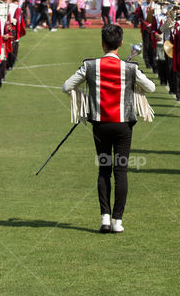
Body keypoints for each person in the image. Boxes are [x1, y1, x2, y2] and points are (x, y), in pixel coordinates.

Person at [62, 24, 156, 234]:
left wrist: (87, 101)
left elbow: (67, 87)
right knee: (121, 171)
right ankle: (117, 221)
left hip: (100, 124)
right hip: (123, 126)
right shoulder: (129, 68)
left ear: (103, 43)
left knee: (104, 169)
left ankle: (104, 219)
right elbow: (151, 87)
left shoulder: (90, 66)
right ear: (121, 43)